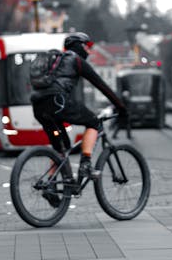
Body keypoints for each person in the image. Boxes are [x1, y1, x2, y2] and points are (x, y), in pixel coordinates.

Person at [31, 32, 127, 181]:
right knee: (93, 122)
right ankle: (86, 165)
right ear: (79, 46)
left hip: (38, 105)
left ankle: (51, 184)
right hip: (57, 102)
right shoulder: (75, 60)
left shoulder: (55, 61)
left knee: (61, 148)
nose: (89, 50)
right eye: (87, 46)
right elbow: (102, 86)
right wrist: (121, 107)